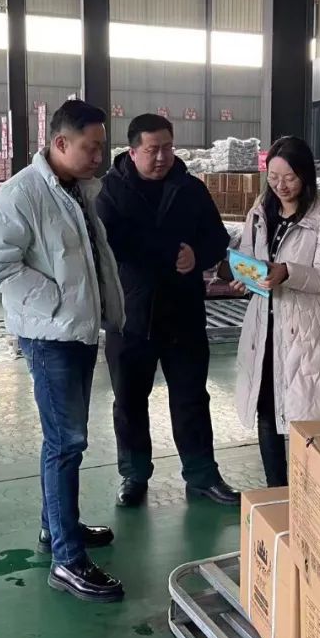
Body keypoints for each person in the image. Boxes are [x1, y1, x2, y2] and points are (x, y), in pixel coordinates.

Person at [0, 99, 127, 604]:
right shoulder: (22, 193)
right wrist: (58, 304)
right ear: (60, 143)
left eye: (101, 147)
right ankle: (67, 561)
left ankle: (56, 527)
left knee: (67, 441)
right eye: (91, 147)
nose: (99, 157)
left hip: (79, 332)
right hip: (51, 338)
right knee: (65, 444)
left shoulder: (78, 190)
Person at [96, 114, 240, 508]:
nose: (161, 157)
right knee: (129, 401)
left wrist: (198, 255)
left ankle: (202, 475)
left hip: (183, 313)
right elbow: (110, 245)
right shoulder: (110, 191)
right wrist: (165, 252)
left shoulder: (190, 189)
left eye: (167, 147)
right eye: (152, 149)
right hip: (130, 315)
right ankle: (134, 474)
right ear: (132, 151)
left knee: (191, 397)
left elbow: (217, 238)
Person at [231, 136, 320, 487]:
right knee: (267, 410)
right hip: (264, 328)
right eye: (273, 177)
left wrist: (287, 272)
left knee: (308, 416)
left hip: (306, 331)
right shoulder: (260, 209)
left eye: (289, 178)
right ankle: (276, 492)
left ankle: (311, 494)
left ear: (306, 176)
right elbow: (250, 255)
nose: (280, 186)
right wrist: (244, 275)